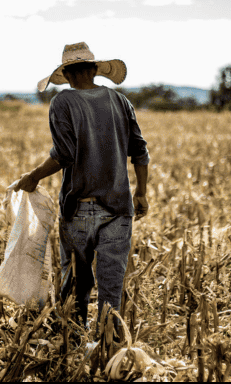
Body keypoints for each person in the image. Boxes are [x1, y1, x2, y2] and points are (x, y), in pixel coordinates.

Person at [14, 41, 150, 333]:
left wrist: (34, 176)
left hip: (80, 209)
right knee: (111, 290)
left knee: (76, 287)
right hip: (119, 209)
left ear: (69, 74)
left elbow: (64, 154)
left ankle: (73, 346)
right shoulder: (120, 101)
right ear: (93, 70)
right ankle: (110, 349)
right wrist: (141, 192)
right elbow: (139, 150)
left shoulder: (63, 102)